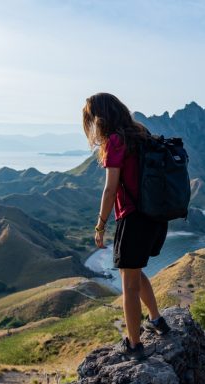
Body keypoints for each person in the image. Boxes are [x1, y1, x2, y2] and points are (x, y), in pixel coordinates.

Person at [82, 93, 170, 361]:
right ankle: (156, 321)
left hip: (134, 219)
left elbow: (110, 189)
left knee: (128, 284)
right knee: (135, 272)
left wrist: (100, 225)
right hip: (156, 217)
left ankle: (134, 345)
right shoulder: (140, 133)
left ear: (100, 118)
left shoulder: (115, 141)